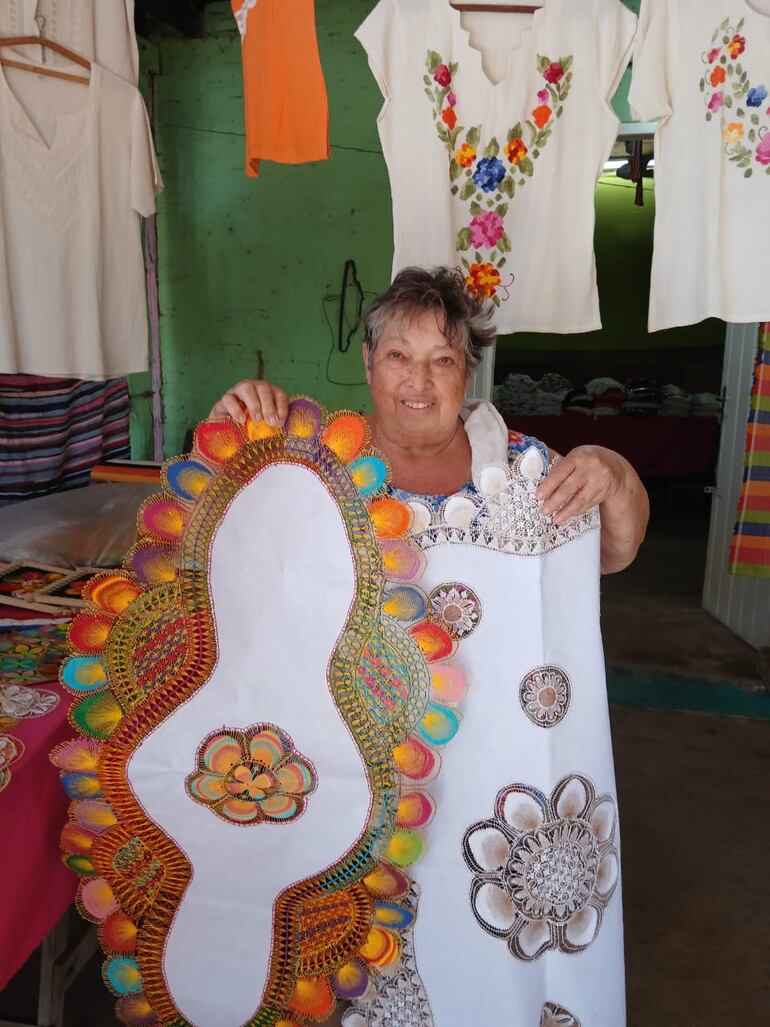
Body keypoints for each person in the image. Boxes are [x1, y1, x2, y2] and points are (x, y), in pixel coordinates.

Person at [210, 266, 649, 573]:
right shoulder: (312, 462)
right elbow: (224, 549)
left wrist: (615, 472)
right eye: (398, 356)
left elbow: (610, 555)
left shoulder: (523, 469)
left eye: (442, 360)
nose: (418, 382)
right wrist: (225, 435)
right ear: (368, 362)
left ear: (467, 372)